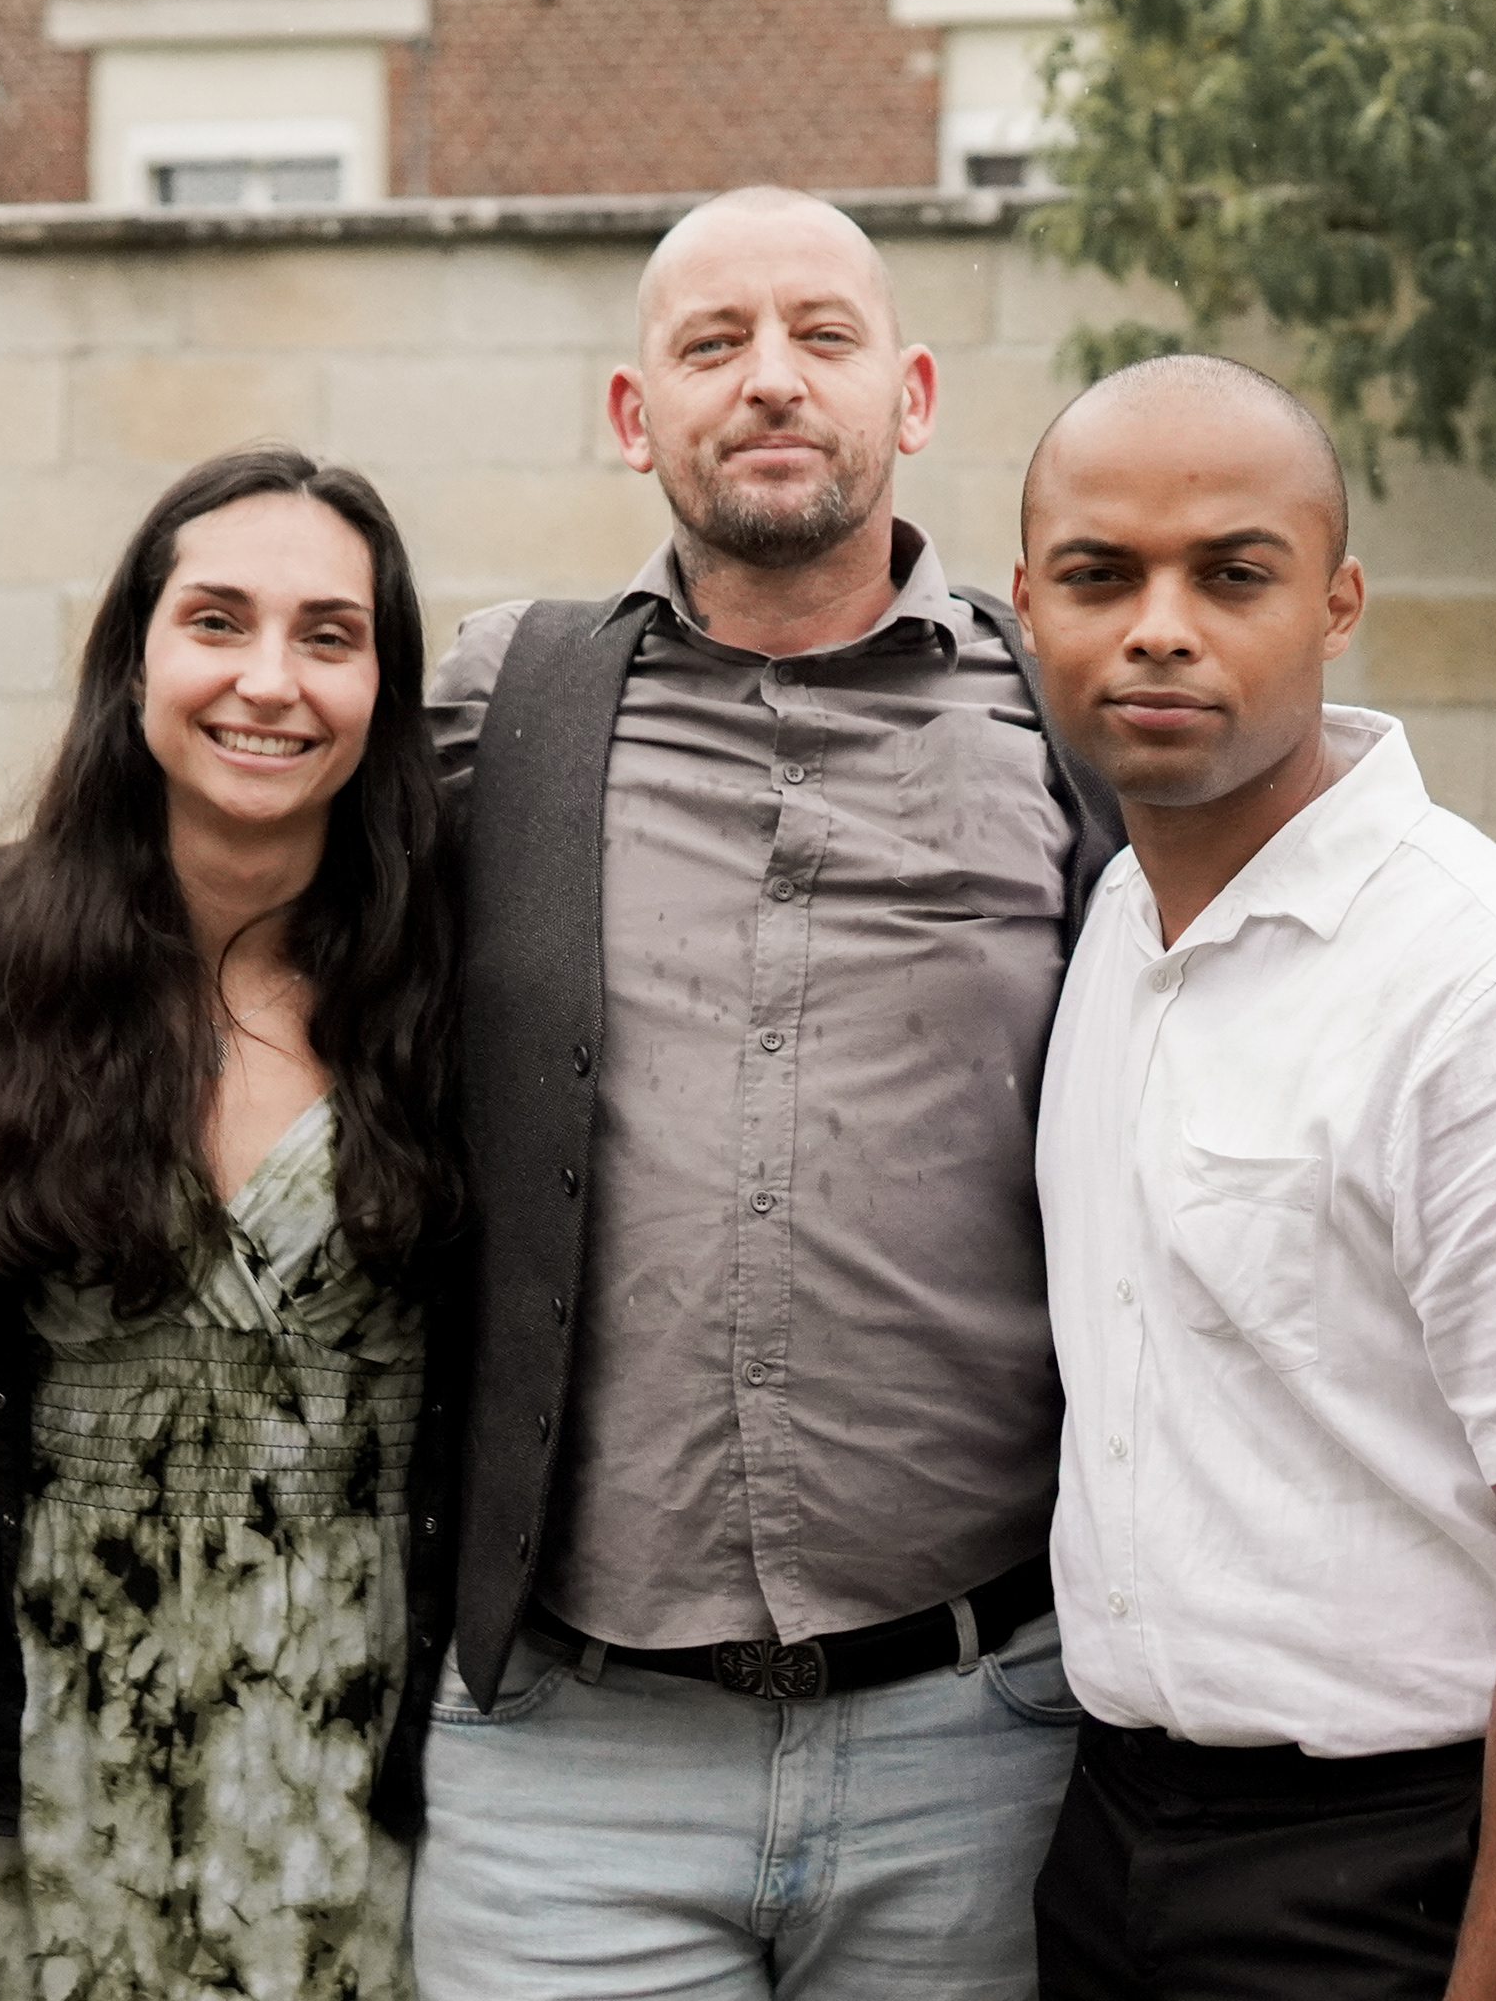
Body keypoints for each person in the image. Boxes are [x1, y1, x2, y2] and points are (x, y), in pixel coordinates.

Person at [411, 186, 1122, 2000]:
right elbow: (226, 889)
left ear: (915, 392)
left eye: (823, 335)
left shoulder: (1063, 724)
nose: (773, 381)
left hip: (980, 1738)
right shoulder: (507, 703)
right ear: (634, 412)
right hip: (569, 1762)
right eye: (713, 344)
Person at [1017, 353, 1496, 2001]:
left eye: (1231, 576)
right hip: (1110, 1836)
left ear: (1337, 604)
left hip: (1404, 1873)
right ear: (1027, 605)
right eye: (1100, 577)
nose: (1160, 629)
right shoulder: (1114, 925)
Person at [0, 445, 457, 2001]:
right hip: (37, 1759)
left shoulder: (457, 982)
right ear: (134, 659)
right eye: (217, 621)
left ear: (382, 688)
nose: (270, 680)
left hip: (362, 1771)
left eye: (329, 635)